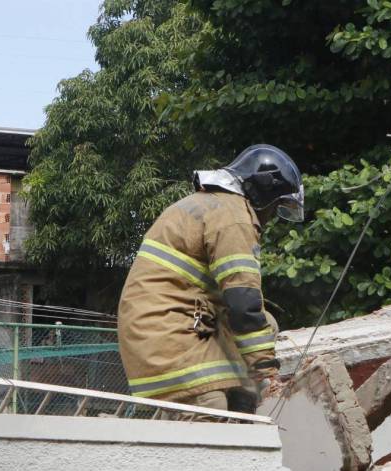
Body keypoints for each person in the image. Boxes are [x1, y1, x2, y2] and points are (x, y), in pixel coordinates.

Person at [118, 145, 304, 412]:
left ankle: (243, 402)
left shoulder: (211, 205)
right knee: (208, 406)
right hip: (167, 335)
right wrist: (267, 374)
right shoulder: (234, 217)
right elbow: (244, 304)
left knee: (269, 325)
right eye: (275, 208)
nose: (272, 218)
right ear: (263, 192)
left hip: (161, 330)